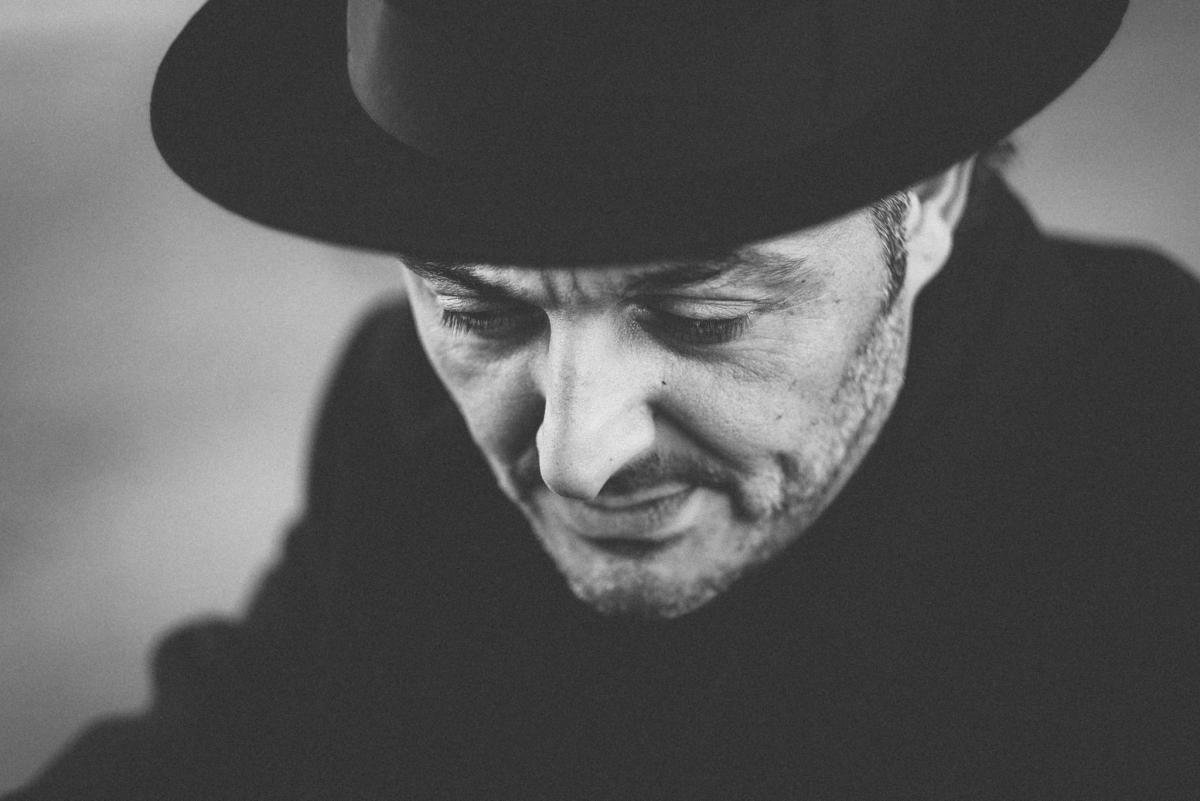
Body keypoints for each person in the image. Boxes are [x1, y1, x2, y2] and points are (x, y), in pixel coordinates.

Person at [10, 0, 1200, 798]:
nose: (577, 456)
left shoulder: (1163, 490)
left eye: (702, 317)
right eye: (484, 315)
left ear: (930, 199)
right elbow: (252, 742)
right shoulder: (397, 411)